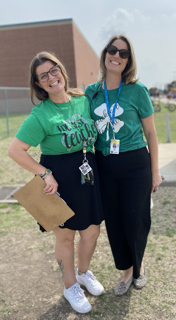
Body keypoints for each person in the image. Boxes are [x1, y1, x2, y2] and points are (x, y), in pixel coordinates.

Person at [8, 52, 104, 313]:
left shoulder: (83, 101)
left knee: (92, 231)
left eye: (54, 71)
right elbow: (15, 151)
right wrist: (44, 173)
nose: (51, 77)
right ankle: (70, 284)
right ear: (38, 84)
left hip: (88, 173)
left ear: (61, 71)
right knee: (65, 237)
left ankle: (84, 273)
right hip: (59, 181)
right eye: (43, 76)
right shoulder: (40, 115)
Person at [85, 35, 162, 296]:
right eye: (112, 50)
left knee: (136, 219)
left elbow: (151, 133)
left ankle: (138, 268)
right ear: (105, 53)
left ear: (129, 60)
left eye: (123, 53)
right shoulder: (92, 92)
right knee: (115, 221)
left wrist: (155, 171)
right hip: (104, 163)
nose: (116, 55)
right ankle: (126, 270)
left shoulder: (137, 90)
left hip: (134, 162)